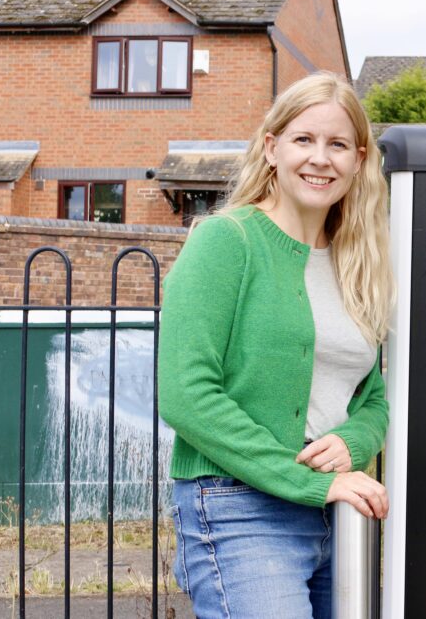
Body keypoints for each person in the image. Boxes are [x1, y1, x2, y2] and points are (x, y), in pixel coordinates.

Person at [159, 71, 393, 619]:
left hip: (335, 511)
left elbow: (372, 397)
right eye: (303, 140)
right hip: (239, 508)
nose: (320, 158)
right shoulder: (226, 241)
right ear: (272, 148)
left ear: (359, 160)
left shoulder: (356, 264)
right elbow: (186, 394)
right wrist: (300, 478)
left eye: (337, 144)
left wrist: (353, 443)